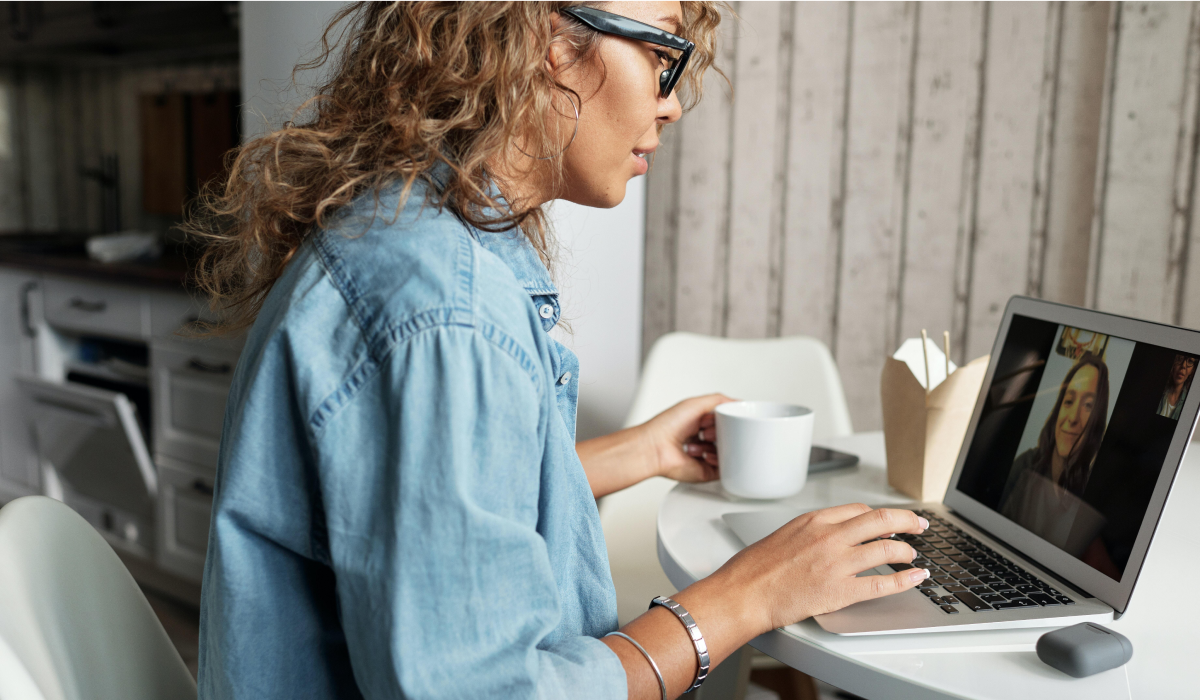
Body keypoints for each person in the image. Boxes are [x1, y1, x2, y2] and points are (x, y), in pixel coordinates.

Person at [186, 2, 930, 698]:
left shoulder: (405, 237)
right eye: (663, 51)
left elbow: (424, 516)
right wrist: (747, 597)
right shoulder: (448, 313)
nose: (671, 102)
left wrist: (636, 453)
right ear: (547, 40)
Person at [999, 353, 1109, 553]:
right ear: (1059, 407)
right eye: (1069, 401)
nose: (1073, 418)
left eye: (1087, 405)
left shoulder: (1092, 494)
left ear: (1097, 420)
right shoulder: (1025, 466)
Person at [1156, 354, 1196, 420]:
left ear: (1192, 370)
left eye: (1190, 361)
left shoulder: (1190, 405)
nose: (1183, 365)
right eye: (1180, 358)